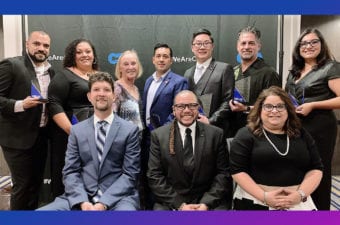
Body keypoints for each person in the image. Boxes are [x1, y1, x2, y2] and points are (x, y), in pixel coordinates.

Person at [38, 72, 140, 210]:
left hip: (118, 198)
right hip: (80, 196)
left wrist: (104, 203)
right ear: (89, 97)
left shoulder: (130, 130)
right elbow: (70, 172)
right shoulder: (77, 131)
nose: (101, 94)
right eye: (96, 90)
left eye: (106, 90)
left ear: (114, 96)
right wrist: (82, 201)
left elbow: (129, 174)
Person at [230, 86, 323, 210]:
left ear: (288, 110)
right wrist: (264, 196)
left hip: (297, 201)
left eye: (280, 106)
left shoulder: (301, 134)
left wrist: (300, 195)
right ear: (259, 110)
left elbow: (316, 168)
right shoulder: (245, 135)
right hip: (256, 200)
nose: (274, 111)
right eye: (268, 106)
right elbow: (237, 171)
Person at [147, 90, 233, 210]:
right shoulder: (159, 136)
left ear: (198, 108)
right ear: (173, 109)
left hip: (208, 201)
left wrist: (206, 204)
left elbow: (223, 174)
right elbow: (154, 176)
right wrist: (180, 205)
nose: (187, 110)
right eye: (181, 106)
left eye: (192, 105)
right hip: (171, 202)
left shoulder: (216, 134)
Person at [285, 28, 340, 210]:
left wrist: (313, 105)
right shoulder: (294, 72)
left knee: (318, 171)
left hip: (320, 128)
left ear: (321, 45)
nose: (308, 46)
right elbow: (285, 98)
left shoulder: (330, 67)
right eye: (304, 43)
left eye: (313, 42)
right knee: (298, 170)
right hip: (296, 127)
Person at [0, 31, 54, 209]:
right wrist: (21, 104)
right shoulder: (11, 65)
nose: (41, 48)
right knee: (22, 187)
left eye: (45, 46)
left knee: (36, 185)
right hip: (16, 139)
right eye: (36, 44)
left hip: (41, 137)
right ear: (27, 44)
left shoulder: (51, 71)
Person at [48, 38, 99, 199]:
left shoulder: (100, 76)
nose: (84, 55)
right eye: (79, 52)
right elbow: (54, 104)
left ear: (93, 55)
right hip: (69, 137)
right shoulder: (64, 75)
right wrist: (73, 131)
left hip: (96, 137)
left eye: (88, 51)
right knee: (69, 179)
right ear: (72, 55)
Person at [141, 43, 188, 209]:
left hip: (166, 138)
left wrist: (161, 133)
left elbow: (178, 111)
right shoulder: (148, 81)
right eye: (158, 56)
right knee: (148, 175)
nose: (161, 59)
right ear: (153, 59)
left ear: (171, 60)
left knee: (162, 178)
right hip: (146, 137)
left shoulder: (179, 81)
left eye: (165, 56)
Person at [229, 26, 280, 137]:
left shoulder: (269, 73)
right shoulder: (232, 72)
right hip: (233, 131)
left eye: (251, 43)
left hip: (258, 132)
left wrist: (246, 109)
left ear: (258, 46)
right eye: (243, 43)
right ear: (238, 47)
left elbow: (275, 106)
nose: (246, 47)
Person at [184, 28, 234, 136]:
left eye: (206, 43)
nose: (202, 47)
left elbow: (228, 101)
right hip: (191, 129)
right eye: (198, 44)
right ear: (192, 48)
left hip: (216, 130)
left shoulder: (224, 69)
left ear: (212, 46)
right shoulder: (188, 73)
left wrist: (210, 121)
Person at [114, 49, 144, 136]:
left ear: (138, 66)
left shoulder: (136, 89)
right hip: (123, 141)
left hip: (138, 140)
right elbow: (111, 119)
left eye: (133, 63)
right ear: (120, 68)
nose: (130, 67)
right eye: (126, 64)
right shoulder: (116, 88)